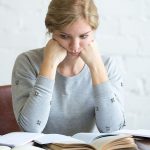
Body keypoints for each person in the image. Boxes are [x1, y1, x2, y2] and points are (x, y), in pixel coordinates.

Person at [11, 0, 125, 136]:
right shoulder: (27, 62)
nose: (75, 47)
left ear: (93, 31)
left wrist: (96, 67)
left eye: (83, 36)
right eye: (64, 36)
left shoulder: (107, 65)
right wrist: (49, 64)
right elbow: (30, 129)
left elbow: (112, 129)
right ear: (51, 31)